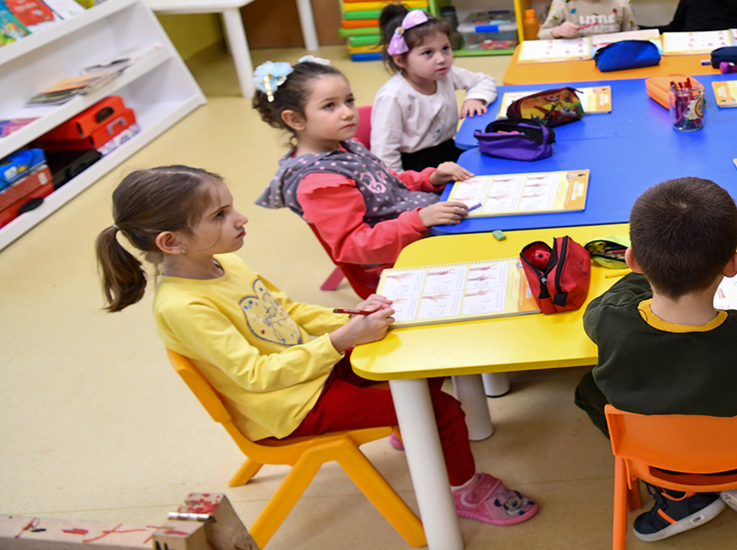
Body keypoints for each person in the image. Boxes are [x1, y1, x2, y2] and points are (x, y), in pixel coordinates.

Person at [95, 166, 536, 525]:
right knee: (439, 409)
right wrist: (340, 341)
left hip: (309, 371)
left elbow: (287, 311)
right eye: (220, 215)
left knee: (415, 352)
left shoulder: (224, 262)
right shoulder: (182, 307)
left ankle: (410, 429)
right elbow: (256, 376)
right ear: (171, 242)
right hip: (290, 407)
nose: (241, 218)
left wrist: (351, 318)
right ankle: (464, 490)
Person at [573, 177, 737, 544]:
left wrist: (656, 268)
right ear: (732, 265)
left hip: (659, 452)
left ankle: (677, 494)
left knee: (588, 390)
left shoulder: (610, 319)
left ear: (632, 261)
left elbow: (605, 305)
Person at [252, 58, 472, 297]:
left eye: (349, 101)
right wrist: (419, 220)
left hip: (424, 225)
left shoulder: (345, 146)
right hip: (402, 256)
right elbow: (354, 246)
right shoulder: (320, 182)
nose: (348, 113)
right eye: (329, 106)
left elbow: (387, 184)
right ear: (295, 120)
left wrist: (430, 179)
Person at [370, 5, 499, 171]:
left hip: (448, 149)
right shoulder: (393, 96)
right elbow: (384, 153)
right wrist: (403, 183)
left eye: (445, 49)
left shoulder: (447, 74)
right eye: (428, 53)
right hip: (414, 166)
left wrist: (475, 98)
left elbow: (484, 80)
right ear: (401, 60)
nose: (441, 59)